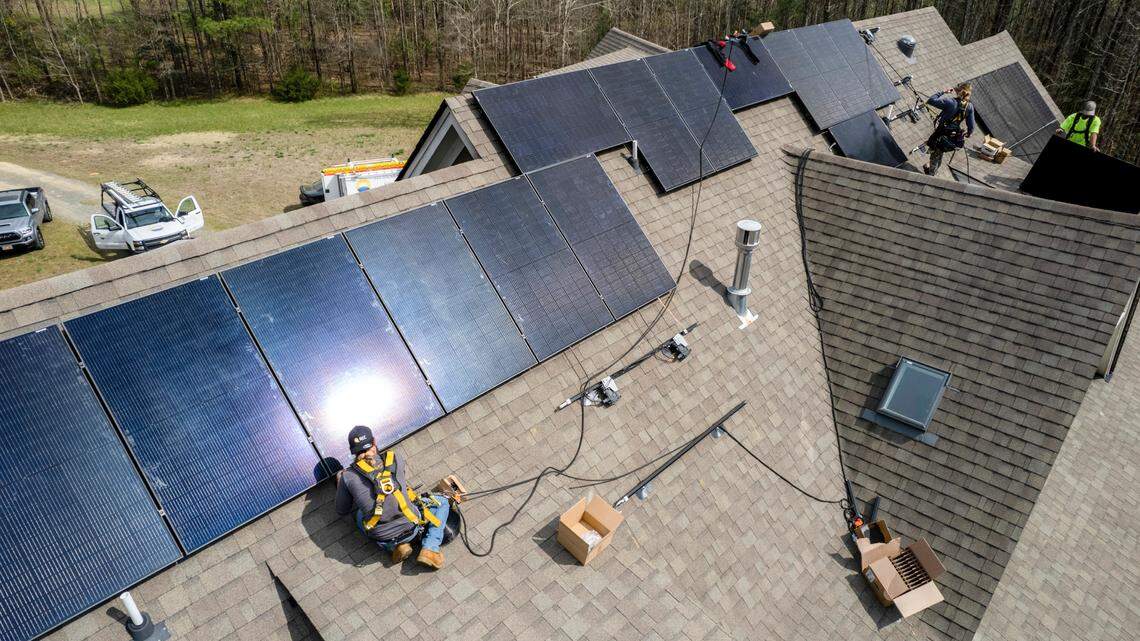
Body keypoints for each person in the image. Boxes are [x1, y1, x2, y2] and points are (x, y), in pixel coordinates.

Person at [335, 425, 450, 569]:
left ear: (352, 451)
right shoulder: (395, 457)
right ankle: (430, 549)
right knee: (443, 501)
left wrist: (341, 482)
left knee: (359, 514)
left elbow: (342, 510)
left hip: (383, 536)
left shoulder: (347, 476)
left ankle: (394, 547)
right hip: (412, 526)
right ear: (374, 442)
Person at [922, 82, 975, 176]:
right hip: (952, 136)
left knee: (935, 155)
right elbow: (971, 127)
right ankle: (933, 170)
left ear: (958, 91)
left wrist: (943, 92)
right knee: (939, 153)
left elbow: (931, 100)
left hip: (941, 134)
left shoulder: (950, 102)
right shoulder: (969, 107)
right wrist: (968, 133)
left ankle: (930, 176)